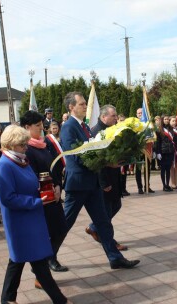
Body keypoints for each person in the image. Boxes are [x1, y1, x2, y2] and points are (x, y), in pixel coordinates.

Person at [59, 92, 140, 269]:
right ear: (71, 107)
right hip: (79, 183)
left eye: (83, 104)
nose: (84, 106)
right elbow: (75, 156)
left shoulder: (84, 126)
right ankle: (48, 258)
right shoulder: (68, 127)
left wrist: (108, 160)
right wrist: (103, 161)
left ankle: (115, 258)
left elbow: (94, 149)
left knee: (103, 222)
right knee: (65, 223)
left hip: (92, 182)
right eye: (80, 104)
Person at [0, 125, 70, 304]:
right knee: (38, 262)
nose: (26, 147)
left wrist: (45, 190)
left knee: (19, 260)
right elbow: (8, 198)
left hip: (31, 219)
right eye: (22, 145)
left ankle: (8, 299)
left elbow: (31, 184)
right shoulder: (4, 166)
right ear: (11, 145)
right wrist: (38, 201)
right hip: (20, 222)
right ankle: (60, 300)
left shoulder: (21, 160)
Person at [20, 111, 69, 275]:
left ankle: (48, 259)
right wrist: (47, 189)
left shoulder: (43, 145)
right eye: (38, 126)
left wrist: (57, 185)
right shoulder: (26, 149)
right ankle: (42, 267)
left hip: (52, 195)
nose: (42, 129)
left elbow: (53, 168)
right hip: (40, 199)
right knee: (46, 234)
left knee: (61, 229)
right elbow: (30, 176)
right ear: (27, 127)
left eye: (42, 125)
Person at [87, 105, 129, 250]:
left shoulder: (111, 129)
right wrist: (104, 183)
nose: (116, 118)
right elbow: (97, 160)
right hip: (104, 179)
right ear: (104, 117)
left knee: (115, 205)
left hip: (114, 176)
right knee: (106, 211)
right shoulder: (96, 132)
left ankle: (94, 227)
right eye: (113, 116)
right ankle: (111, 243)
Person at [134, 107, 153, 194]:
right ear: (136, 115)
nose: (141, 114)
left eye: (142, 113)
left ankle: (147, 186)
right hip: (138, 150)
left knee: (147, 169)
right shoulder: (134, 124)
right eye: (139, 113)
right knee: (138, 169)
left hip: (147, 148)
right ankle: (140, 187)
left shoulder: (148, 124)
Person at [156, 115, 175, 192]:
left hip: (170, 151)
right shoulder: (159, 130)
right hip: (163, 152)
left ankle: (167, 184)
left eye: (167, 119)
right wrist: (158, 152)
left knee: (168, 169)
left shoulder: (171, 129)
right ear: (162, 120)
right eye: (165, 119)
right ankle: (164, 185)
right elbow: (158, 142)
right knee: (163, 170)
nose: (166, 120)